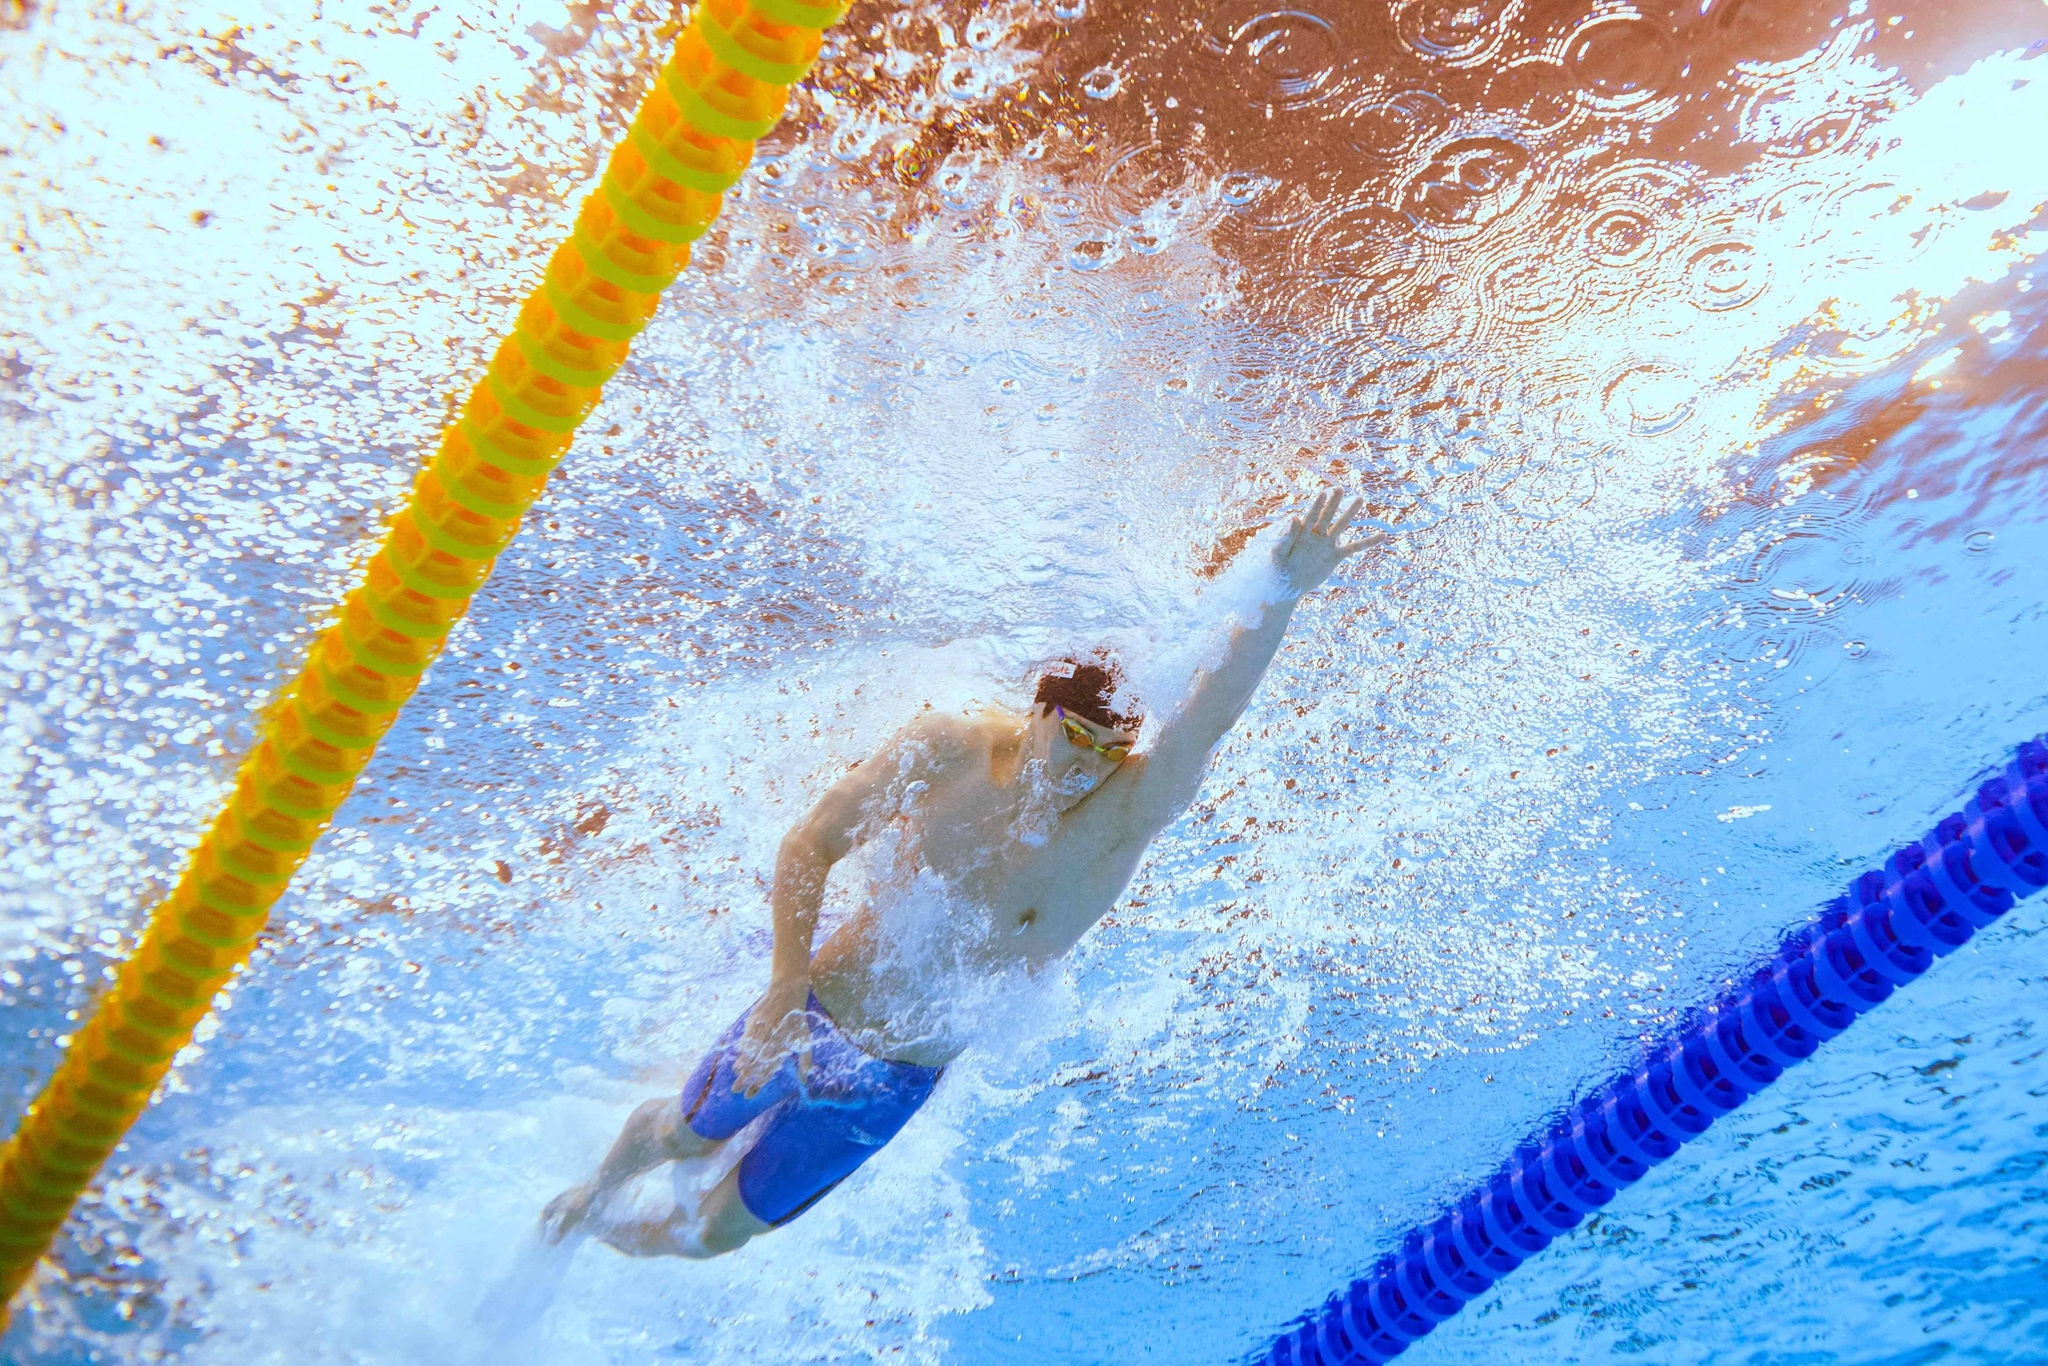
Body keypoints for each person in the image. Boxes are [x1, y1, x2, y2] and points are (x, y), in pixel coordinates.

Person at [540, 491, 1377, 1257]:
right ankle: (592, 1193)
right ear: (1040, 711)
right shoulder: (952, 748)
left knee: (714, 1238)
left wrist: (1279, 594)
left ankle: (599, 1238)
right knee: (686, 1137)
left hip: (893, 1082)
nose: (1087, 766)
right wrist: (780, 995)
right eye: (1075, 738)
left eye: (1109, 751)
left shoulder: (1125, 817)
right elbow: (812, 843)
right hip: (814, 1013)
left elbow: (1207, 720)